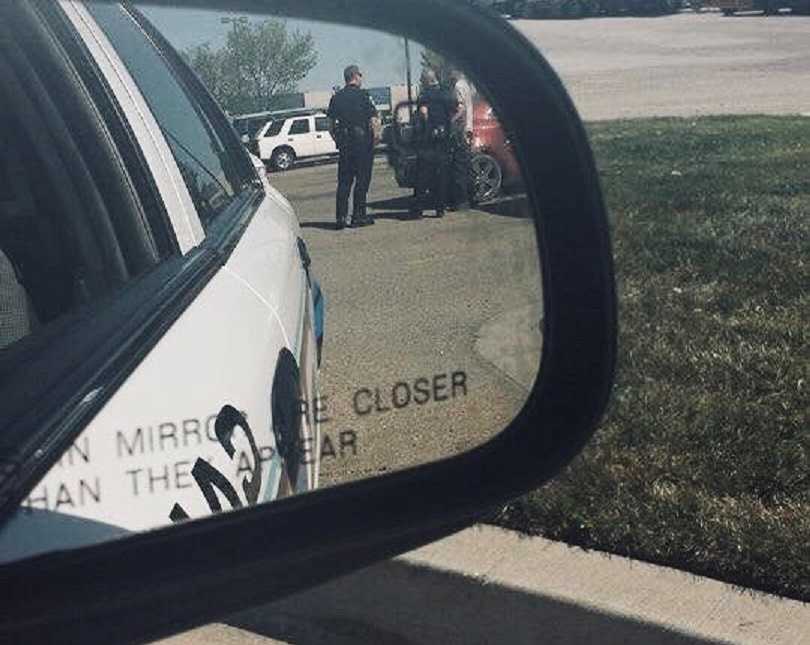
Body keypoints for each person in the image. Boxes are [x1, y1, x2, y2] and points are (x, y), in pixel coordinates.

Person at [327, 64, 380, 229]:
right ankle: (358, 216)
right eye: (360, 75)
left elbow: (330, 125)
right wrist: (376, 138)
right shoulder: (364, 95)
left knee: (344, 181)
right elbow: (374, 120)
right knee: (362, 181)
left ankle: (340, 218)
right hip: (362, 144)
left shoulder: (336, 97)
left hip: (345, 145)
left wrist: (338, 139)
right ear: (356, 76)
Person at [410, 68, 458, 219]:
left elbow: (423, 112)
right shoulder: (446, 93)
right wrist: (447, 124)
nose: (421, 82)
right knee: (441, 174)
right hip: (443, 138)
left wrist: (425, 125)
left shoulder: (425, 95)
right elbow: (457, 109)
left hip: (428, 140)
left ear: (426, 80)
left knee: (422, 175)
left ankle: (418, 210)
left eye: (422, 80)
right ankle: (440, 209)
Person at [448, 70, 474, 210]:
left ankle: (461, 201)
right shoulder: (466, 85)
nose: (449, 75)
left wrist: (450, 121)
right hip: (468, 127)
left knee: (459, 167)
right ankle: (472, 197)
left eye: (451, 72)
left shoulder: (458, 86)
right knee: (467, 166)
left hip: (460, 129)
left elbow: (461, 109)